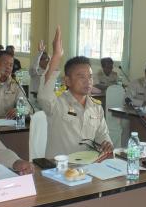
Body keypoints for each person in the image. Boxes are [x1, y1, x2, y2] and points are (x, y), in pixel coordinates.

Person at [38, 27, 113, 160]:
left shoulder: (96, 107)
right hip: (60, 169)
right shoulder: (57, 104)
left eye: (90, 76)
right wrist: (56, 56)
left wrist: (106, 144)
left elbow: (103, 135)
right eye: (81, 77)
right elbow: (44, 94)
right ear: (67, 80)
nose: (88, 81)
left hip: (88, 166)